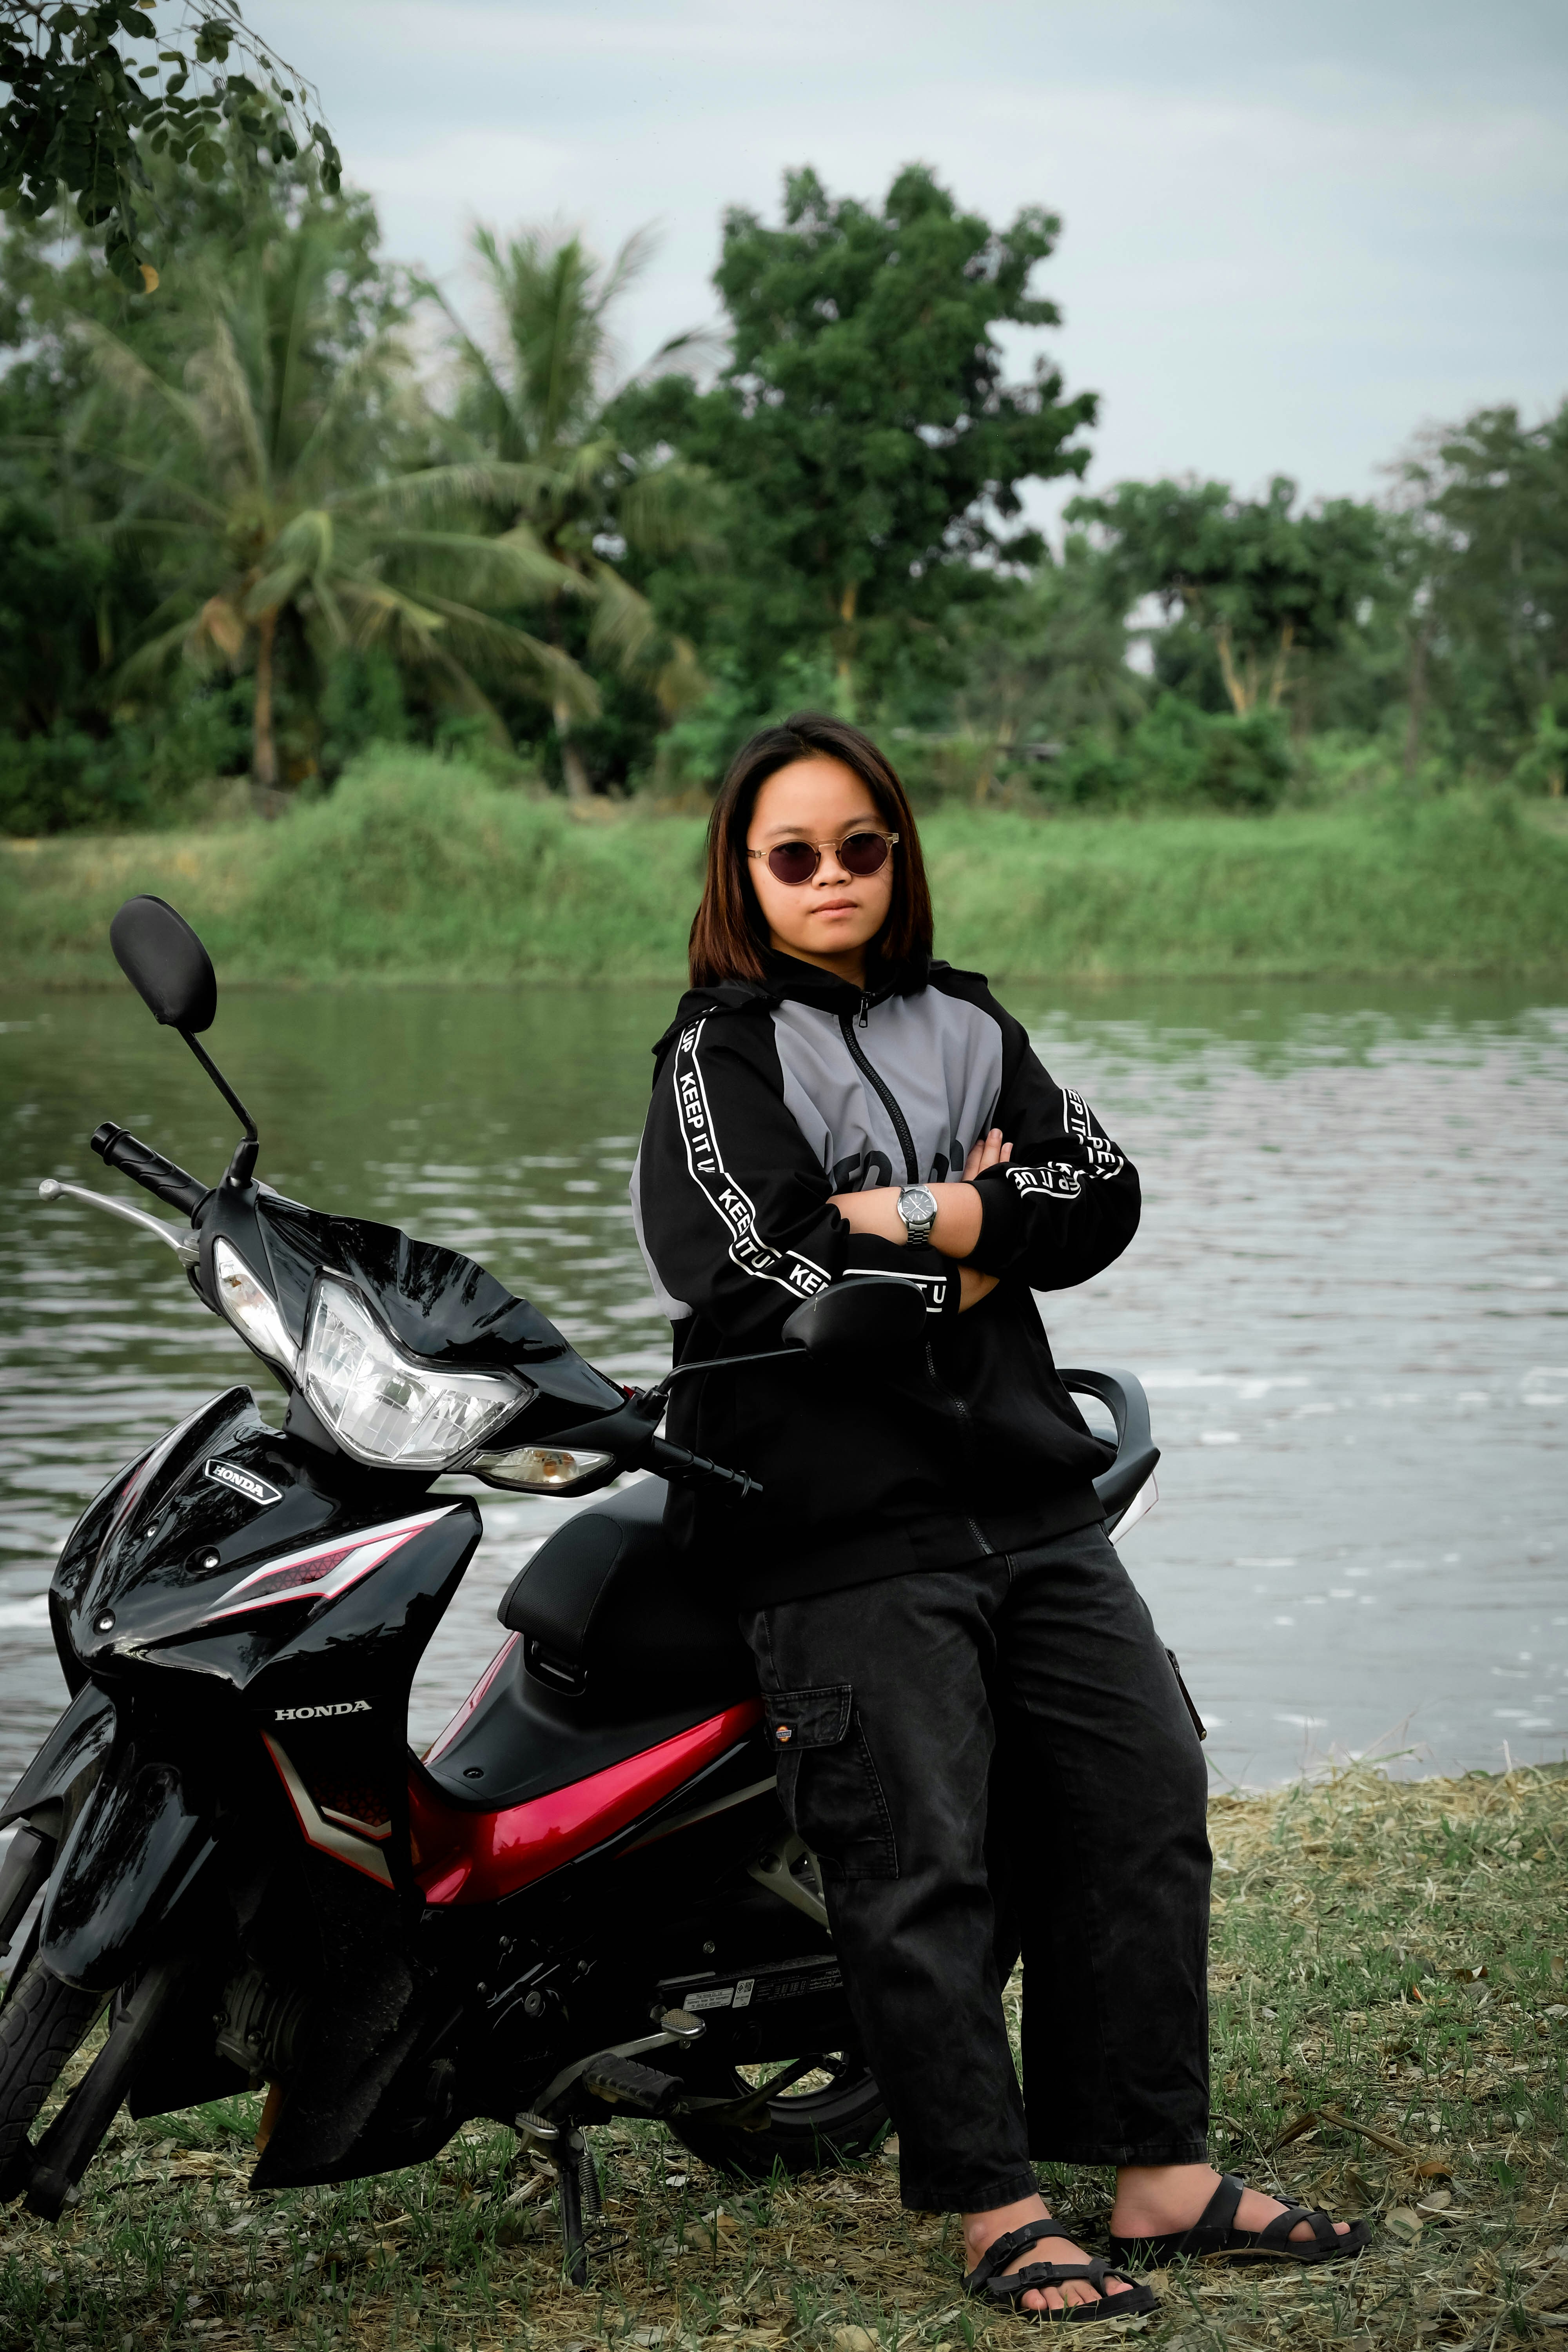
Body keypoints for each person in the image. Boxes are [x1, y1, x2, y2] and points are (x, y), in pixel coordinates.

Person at [630, 713, 1367, 2321]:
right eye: (794, 855)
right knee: (917, 1858)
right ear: (743, 875)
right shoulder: (715, 1058)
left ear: (899, 854)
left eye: (861, 847)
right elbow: (761, 1269)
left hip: (1025, 1494)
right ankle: (997, 2207)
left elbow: (1099, 1193)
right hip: (834, 1526)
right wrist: (975, 1243)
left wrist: (916, 1211)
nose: (833, 877)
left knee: (1140, 1796)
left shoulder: (966, 1019)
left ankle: (1156, 2170)